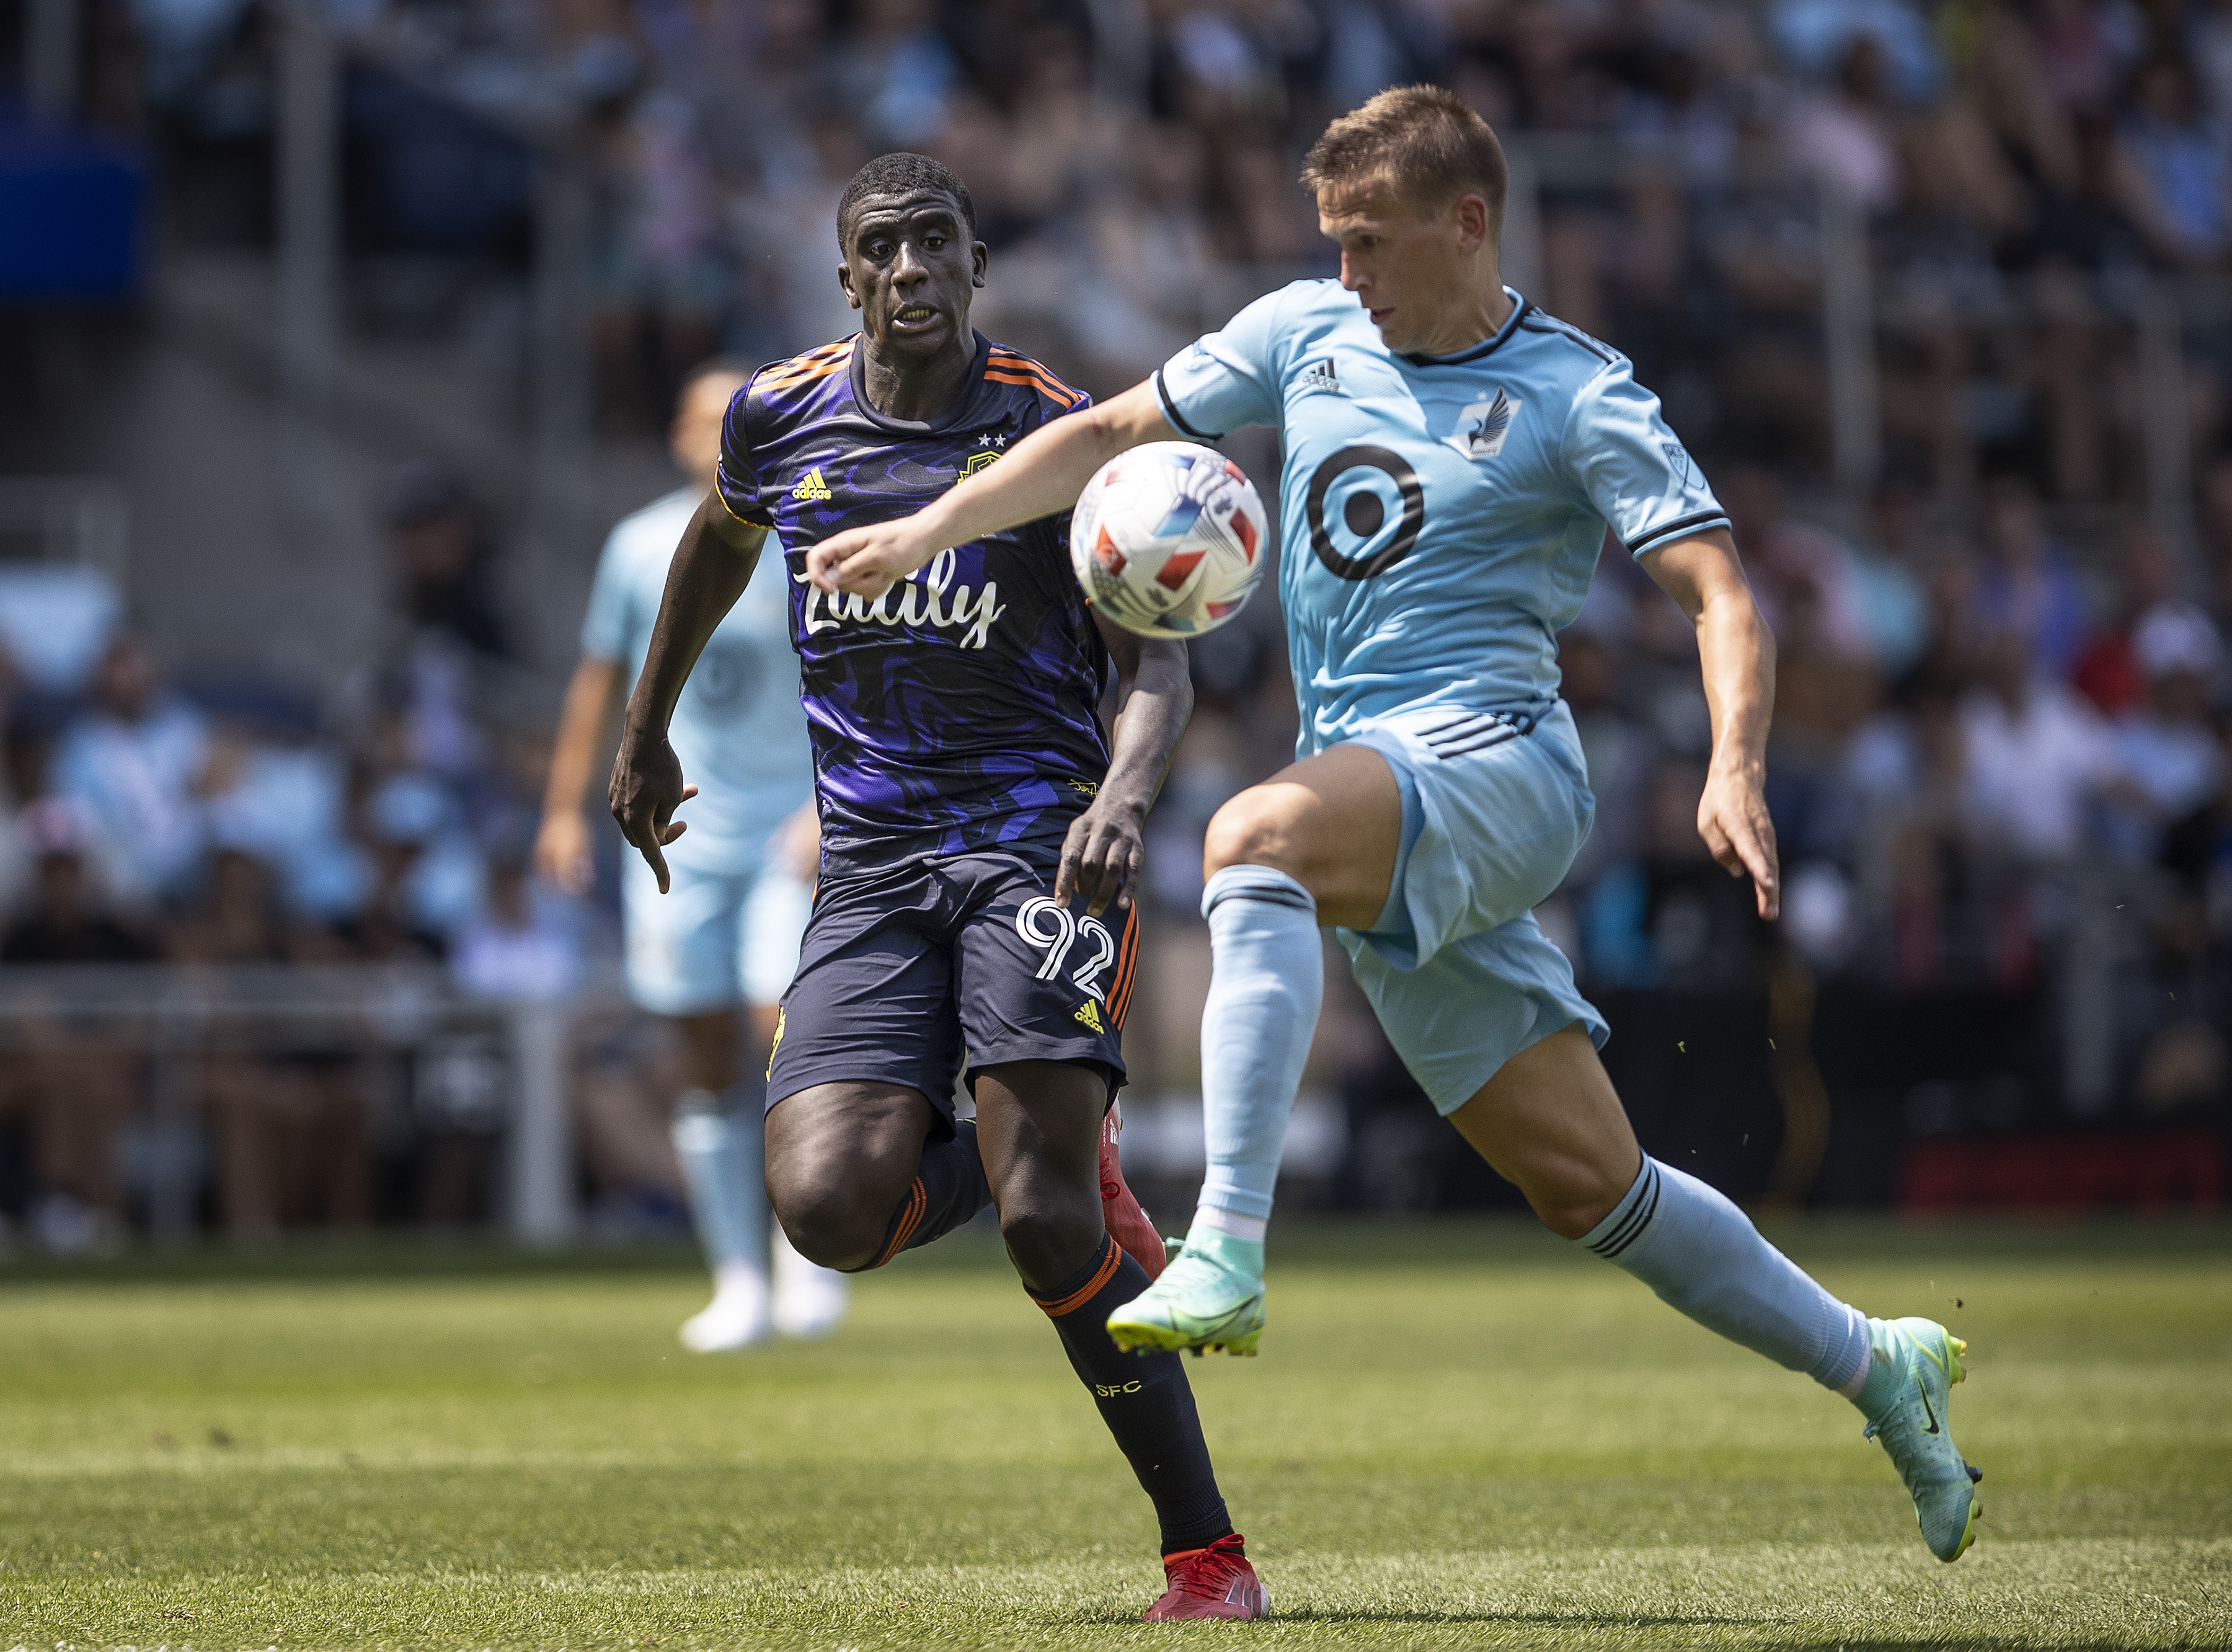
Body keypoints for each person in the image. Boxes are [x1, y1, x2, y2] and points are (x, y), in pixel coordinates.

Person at [804, 89, 1985, 1567]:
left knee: (1248, 838)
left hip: (1501, 765)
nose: (1348, 273)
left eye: (1369, 243)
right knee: (1590, 1189)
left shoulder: (1576, 391)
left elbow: (1719, 593)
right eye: (1334, 244)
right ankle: (1884, 1368)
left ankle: (1224, 1241)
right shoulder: (1306, 332)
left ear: (1468, 222)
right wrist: (925, 532)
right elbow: (1108, 429)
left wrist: (1732, 762)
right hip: (1376, 791)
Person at [608, 151, 1267, 1622]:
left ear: (978, 265)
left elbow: (1159, 653)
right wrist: (642, 731)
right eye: (881, 248)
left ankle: (1208, 1556)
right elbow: (719, 539)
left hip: (1039, 847)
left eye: (935, 245)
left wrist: (1125, 792)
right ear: (845, 275)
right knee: (828, 1209)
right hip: (870, 868)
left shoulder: (1050, 433)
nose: (910, 271)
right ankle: (1063, 1149)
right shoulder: (778, 418)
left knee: (1044, 1224)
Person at [538, 360, 847, 1351]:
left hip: (790, 828)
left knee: (780, 1024)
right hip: (680, 830)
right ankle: (736, 1277)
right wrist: (561, 810)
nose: (720, 436)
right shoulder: (635, 547)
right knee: (702, 1047)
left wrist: (828, 803)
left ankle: (808, 1252)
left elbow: (852, 677)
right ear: (676, 435)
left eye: (737, 419)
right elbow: (602, 682)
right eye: (704, 420)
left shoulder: (810, 534)